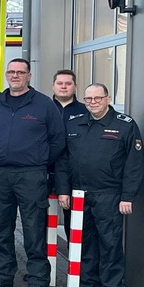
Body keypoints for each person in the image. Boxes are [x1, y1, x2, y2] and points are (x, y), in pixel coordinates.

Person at [55, 84, 144, 287]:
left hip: (109, 195)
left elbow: (134, 164)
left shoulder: (125, 125)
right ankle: (87, 286)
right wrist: (63, 190)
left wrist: (127, 196)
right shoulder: (74, 123)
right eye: (88, 99)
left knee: (109, 244)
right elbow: (63, 160)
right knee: (83, 243)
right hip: (79, 194)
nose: (92, 102)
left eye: (97, 98)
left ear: (108, 99)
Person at [0, 58, 65, 287]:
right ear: (6, 75)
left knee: (33, 228)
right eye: (11, 72)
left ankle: (38, 281)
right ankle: (3, 276)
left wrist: (39, 160)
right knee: (0, 227)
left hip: (31, 175)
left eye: (21, 72)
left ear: (29, 75)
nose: (15, 75)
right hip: (0, 174)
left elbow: (58, 139)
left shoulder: (44, 104)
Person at [52, 69, 88, 241]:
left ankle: (74, 253)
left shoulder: (85, 111)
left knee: (73, 219)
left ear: (75, 86)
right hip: (44, 169)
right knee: (39, 218)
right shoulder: (43, 108)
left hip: (73, 172)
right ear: (53, 86)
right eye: (60, 83)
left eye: (68, 83)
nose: (64, 87)